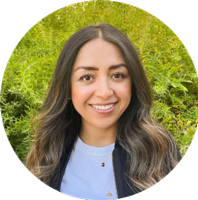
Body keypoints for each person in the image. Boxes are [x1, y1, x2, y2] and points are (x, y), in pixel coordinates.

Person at [24, 23, 182, 199]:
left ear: (133, 84)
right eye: (87, 77)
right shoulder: (44, 155)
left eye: (117, 75)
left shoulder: (159, 149)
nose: (105, 92)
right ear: (67, 88)